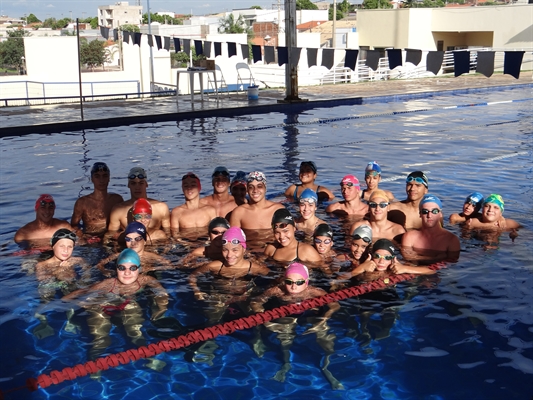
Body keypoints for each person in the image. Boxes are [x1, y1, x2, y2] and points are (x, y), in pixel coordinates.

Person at [63, 249, 169, 365]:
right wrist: (70, 303)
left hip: (127, 305)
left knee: (136, 332)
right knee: (101, 340)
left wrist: (160, 310)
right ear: (116, 269)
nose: (127, 273)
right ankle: (93, 365)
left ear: (140, 269)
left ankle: (149, 359)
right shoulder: (108, 283)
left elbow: (162, 293)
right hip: (102, 307)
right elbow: (82, 292)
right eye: (122, 268)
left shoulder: (146, 280)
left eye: (132, 268)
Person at [250, 263, 342, 389]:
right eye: (289, 282)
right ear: (284, 281)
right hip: (286, 317)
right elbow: (256, 302)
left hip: (309, 314)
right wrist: (264, 319)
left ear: (306, 282)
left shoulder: (314, 291)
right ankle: (286, 363)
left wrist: (324, 318)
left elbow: (335, 305)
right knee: (285, 335)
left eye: (299, 282)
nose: (293, 286)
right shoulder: (277, 291)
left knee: (323, 333)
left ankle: (327, 367)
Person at [189, 227, 270, 321]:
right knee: (212, 322)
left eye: (235, 250)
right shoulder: (214, 266)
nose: (229, 255)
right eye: (225, 250)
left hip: (245, 295)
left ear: (244, 249)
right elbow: (193, 276)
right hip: (219, 295)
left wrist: (264, 296)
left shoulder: (255, 268)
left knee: (259, 318)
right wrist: (196, 291)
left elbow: (276, 279)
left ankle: (258, 335)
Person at [106, 167, 170, 242]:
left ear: (146, 184)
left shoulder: (161, 207)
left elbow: (168, 234)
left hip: (154, 245)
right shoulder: (118, 210)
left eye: (141, 183)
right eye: (133, 183)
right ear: (128, 185)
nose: (137, 187)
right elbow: (109, 236)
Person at [401, 194, 461, 263]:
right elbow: (407, 259)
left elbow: (452, 265)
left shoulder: (451, 240)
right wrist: (435, 258)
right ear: (420, 214)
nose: (429, 215)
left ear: (440, 214)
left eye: (434, 211)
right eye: (425, 211)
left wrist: (418, 257)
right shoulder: (409, 237)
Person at [71, 162, 124, 237]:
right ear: (92, 179)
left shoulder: (117, 200)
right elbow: (73, 225)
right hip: (91, 239)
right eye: (97, 176)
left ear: (109, 178)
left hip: (111, 236)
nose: (101, 180)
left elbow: (123, 223)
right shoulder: (82, 203)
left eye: (104, 176)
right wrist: (81, 235)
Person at [98, 222, 172, 276]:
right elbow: (99, 264)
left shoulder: (151, 256)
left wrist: (150, 269)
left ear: (145, 241)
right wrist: (104, 270)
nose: (133, 243)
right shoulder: (119, 255)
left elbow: (170, 266)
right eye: (128, 239)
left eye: (138, 239)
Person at [342, 239, 436, 281]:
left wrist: (405, 268)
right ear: (371, 256)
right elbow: (339, 279)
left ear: (392, 259)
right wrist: (361, 268)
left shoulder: (396, 267)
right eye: (377, 256)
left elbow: (431, 271)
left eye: (387, 257)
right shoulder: (362, 265)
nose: (381, 261)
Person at [35, 229, 88, 299]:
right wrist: (60, 270)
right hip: (52, 287)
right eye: (61, 246)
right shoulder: (42, 265)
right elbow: (41, 279)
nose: (66, 250)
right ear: (53, 246)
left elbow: (87, 270)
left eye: (70, 247)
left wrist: (84, 280)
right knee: (46, 294)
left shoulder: (78, 260)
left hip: (72, 286)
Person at [171, 172, 217, 237]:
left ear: (199, 188)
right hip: (185, 245)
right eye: (186, 186)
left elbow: (215, 232)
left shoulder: (210, 210)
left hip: (205, 243)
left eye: (193, 185)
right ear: (182, 189)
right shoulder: (177, 212)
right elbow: (175, 236)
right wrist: (186, 245)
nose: (189, 188)